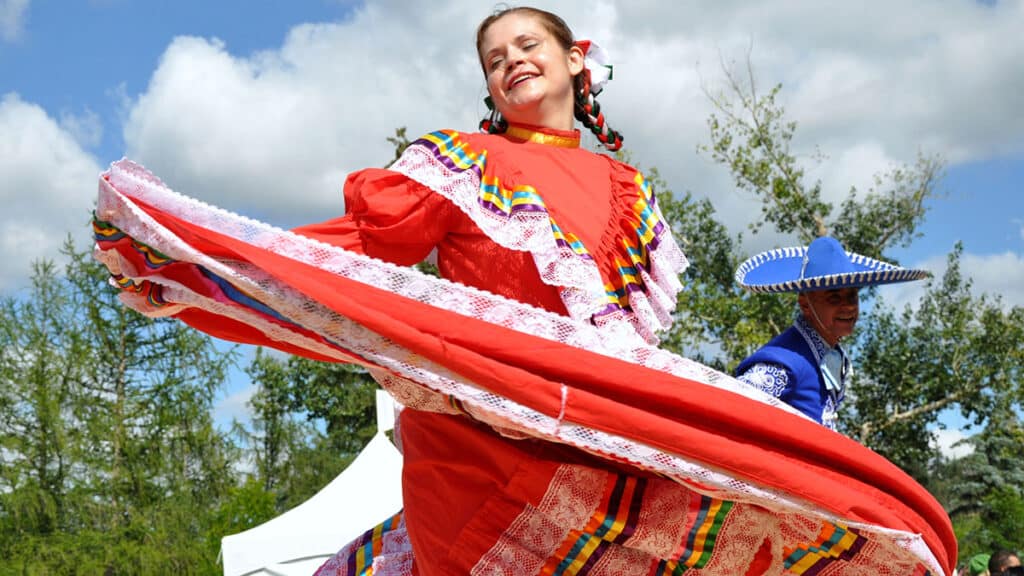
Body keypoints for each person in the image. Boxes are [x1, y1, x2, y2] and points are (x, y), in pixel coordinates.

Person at [91, 6, 957, 575]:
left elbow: (633, 348)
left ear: (578, 61)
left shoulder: (634, 191)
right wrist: (210, 274)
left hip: (603, 440)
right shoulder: (464, 163)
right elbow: (359, 253)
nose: (511, 63)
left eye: (527, 46)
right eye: (495, 58)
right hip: (482, 436)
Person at [734, 235, 930, 430]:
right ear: (805, 304)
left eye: (852, 296)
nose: (849, 307)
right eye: (834, 298)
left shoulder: (828, 355)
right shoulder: (782, 364)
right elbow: (732, 409)